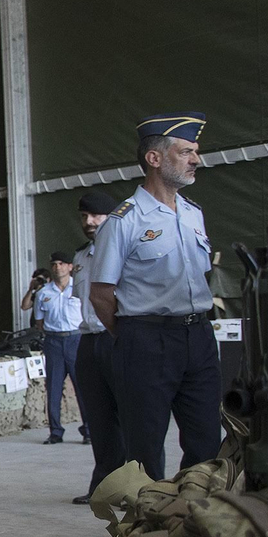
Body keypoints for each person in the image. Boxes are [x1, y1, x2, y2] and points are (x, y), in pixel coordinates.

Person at [90, 113, 220, 480]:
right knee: (145, 449)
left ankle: (193, 522)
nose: (196, 159)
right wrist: (136, 333)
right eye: (186, 152)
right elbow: (101, 294)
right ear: (154, 158)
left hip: (199, 336)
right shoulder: (123, 222)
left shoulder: (194, 214)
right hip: (146, 339)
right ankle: (146, 529)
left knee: (207, 442)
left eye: (195, 152)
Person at [71, 190, 123, 503]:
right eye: (84, 217)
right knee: (98, 418)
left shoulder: (124, 249)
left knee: (130, 415)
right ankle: (103, 486)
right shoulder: (80, 257)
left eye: (96, 216)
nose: (89, 222)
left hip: (116, 337)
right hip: (88, 341)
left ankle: (134, 487)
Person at [35, 251, 87, 446]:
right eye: (54, 264)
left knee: (83, 388)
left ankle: (88, 431)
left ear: (70, 267)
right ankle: (55, 432)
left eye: (62, 264)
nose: (58, 267)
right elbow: (39, 322)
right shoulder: (43, 293)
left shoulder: (80, 288)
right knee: (54, 389)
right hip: (54, 341)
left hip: (76, 339)